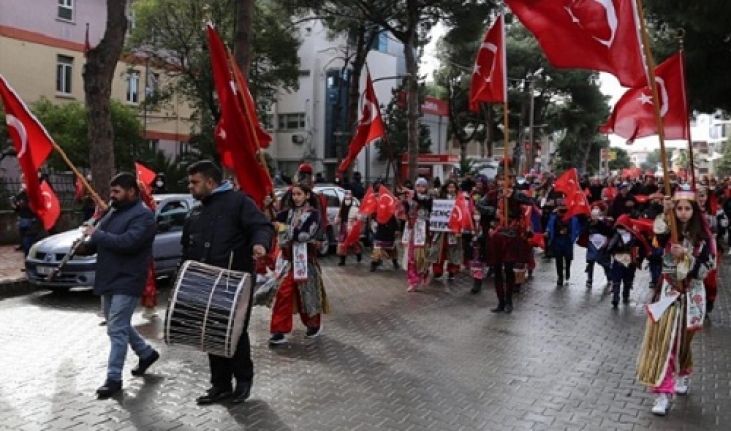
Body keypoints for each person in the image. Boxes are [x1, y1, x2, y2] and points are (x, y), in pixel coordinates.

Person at [181, 161, 274, 405]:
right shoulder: (195, 211)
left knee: (235, 332)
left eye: (195, 182)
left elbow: (261, 226)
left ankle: (243, 381)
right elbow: (186, 248)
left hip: (235, 282)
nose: (191, 186)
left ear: (210, 182)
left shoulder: (239, 202)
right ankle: (220, 385)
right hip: (204, 283)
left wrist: (260, 243)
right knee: (210, 331)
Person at [78, 173, 160, 398]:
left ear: (131, 191)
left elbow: (127, 243)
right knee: (119, 325)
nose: (112, 196)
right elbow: (101, 240)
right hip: (109, 277)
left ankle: (113, 378)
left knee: (116, 328)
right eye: (111, 191)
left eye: (116, 192)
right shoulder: (113, 211)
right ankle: (146, 353)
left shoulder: (144, 216)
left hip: (128, 279)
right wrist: (85, 246)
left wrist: (97, 234)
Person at [638, 188, 714, 416]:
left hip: (692, 298)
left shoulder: (704, 238)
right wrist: (664, 212)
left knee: (682, 343)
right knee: (666, 343)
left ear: (694, 210)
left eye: (686, 208)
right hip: (669, 295)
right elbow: (657, 239)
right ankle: (663, 393)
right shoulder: (668, 229)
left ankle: (684, 373)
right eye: (679, 208)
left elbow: (706, 270)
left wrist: (687, 258)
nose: (682, 213)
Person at [269, 183, 329, 345]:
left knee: (308, 296)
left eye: (299, 194)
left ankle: (313, 325)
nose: (296, 197)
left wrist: (282, 228)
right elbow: (272, 220)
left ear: (307, 195)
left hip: (305, 262)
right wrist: (268, 206)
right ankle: (278, 330)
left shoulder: (313, 214)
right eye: (294, 194)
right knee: (283, 293)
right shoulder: (289, 213)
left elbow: (303, 234)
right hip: (289, 261)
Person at [400, 178, 433, 291]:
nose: (420, 188)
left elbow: (423, 202)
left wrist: (411, 194)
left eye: (422, 186)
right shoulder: (410, 197)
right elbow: (405, 210)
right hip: (411, 228)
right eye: (418, 186)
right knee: (411, 256)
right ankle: (413, 280)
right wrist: (403, 200)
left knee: (422, 256)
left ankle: (424, 273)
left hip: (422, 229)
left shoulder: (428, 198)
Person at [546, 198, 580, 287]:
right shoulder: (554, 217)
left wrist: (572, 234)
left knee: (568, 258)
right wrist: (548, 232)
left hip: (567, 240)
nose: (562, 210)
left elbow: (576, 228)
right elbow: (549, 226)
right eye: (561, 207)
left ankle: (567, 270)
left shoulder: (572, 217)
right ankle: (560, 276)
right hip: (558, 240)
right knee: (559, 259)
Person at [11, 178, 41, 255]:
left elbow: (35, 209)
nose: (23, 183)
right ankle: (28, 262)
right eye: (22, 181)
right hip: (23, 221)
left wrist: (26, 203)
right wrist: (15, 205)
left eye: (25, 181)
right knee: (25, 245)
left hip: (32, 222)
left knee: (28, 243)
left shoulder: (33, 194)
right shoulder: (20, 195)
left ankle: (32, 260)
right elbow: (17, 209)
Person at [334, 190, 363, 265]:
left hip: (351, 228)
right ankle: (342, 260)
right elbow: (338, 217)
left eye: (349, 198)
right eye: (346, 198)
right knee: (342, 243)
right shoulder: (342, 208)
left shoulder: (354, 208)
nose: (347, 200)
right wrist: (337, 220)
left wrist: (355, 222)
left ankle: (358, 254)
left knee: (353, 243)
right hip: (343, 227)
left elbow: (359, 218)